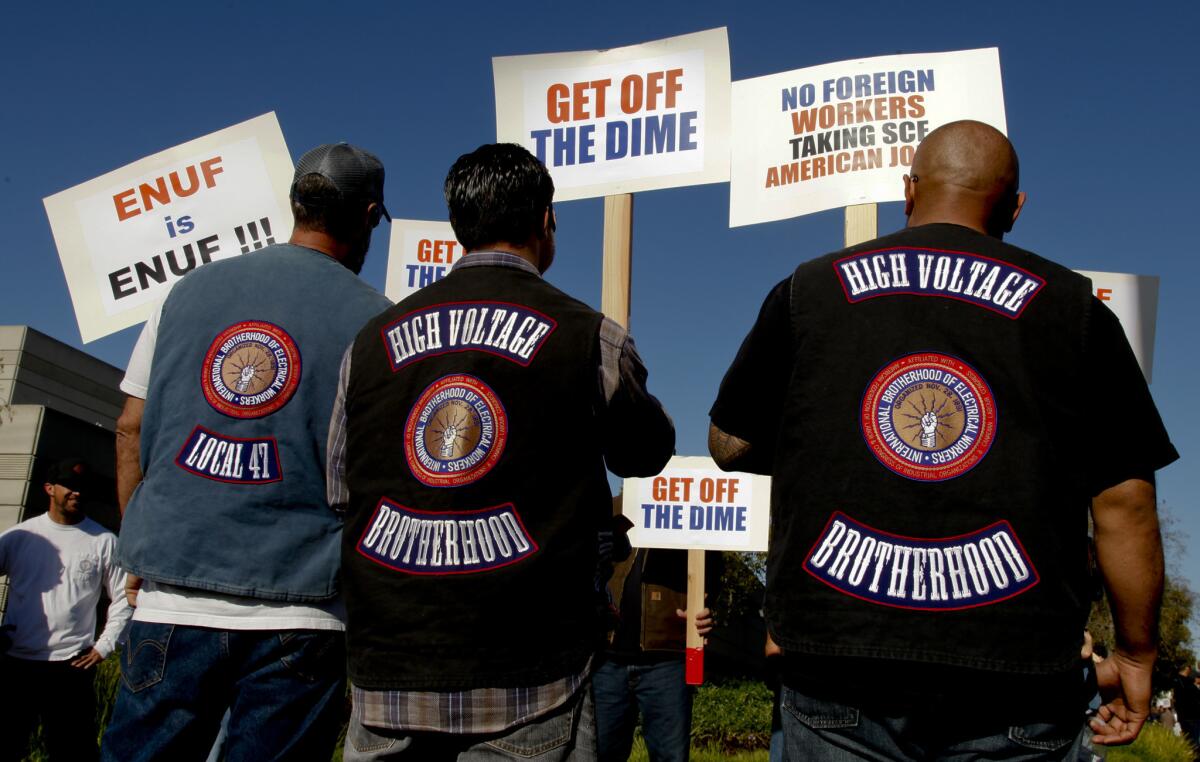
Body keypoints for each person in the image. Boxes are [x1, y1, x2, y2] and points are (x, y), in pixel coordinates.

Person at [708, 120, 1177, 760]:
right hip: (1017, 677)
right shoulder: (1076, 309)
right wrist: (1135, 654)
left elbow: (729, 442)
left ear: (908, 190)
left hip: (840, 669)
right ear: (1015, 208)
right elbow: (1125, 503)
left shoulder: (808, 290)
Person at [330, 142, 675, 760]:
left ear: (461, 226)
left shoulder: (369, 341)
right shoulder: (587, 333)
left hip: (390, 667)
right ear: (546, 222)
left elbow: (338, 491)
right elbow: (644, 452)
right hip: (531, 675)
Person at [102, 143, 394, 762]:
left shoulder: (186, 292)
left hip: (172, 594)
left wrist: (140, 543)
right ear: (370, 216)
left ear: (294, 203)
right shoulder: (379, 322)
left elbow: (130, 428)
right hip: (305, 608)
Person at [0, 458, 132, 762]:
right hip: (18, 663)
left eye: (82, 488)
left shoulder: (104, 541)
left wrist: (104, 646)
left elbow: (124, 597)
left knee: (73, 751)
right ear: (49, 488)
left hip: (72, 666)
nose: (77, 493)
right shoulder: (21, 537)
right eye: (70, 487)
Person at [594, 545, 719, 762]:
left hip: (668, 658)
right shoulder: (610, 514)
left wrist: (705, 605)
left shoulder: (691, 515)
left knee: (670, 756)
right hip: (607, 656)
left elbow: (713, 569)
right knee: (599, 754)